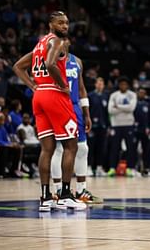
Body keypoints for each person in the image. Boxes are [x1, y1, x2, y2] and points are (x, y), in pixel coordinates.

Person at [12, 11, 86, 211]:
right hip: (55, 95)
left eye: (67, 23)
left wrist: (33, 86)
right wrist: (63, 85)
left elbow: (18, 67)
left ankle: (45, 197)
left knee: (47, 149)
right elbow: (50, 64)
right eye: (60, 22)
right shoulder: (58, 42)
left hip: (39, 96)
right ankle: (65, 195)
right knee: (71, 146)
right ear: (51, 24)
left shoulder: (39, 45)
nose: (65, 26)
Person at [50, 49, 102, 203]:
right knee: (58, 148)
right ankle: (58, 190)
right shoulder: (48, 61)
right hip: (57, 105)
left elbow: (81, 89)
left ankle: (80, 190)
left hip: (74, 107)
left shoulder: (76, 61)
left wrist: (86, 113)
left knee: (83, 148)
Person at [107, 76, 137, 176]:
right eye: (121, 84)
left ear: (128, 85)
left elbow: (131, 108)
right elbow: (110, 110)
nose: (123, 86)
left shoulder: (132, 95)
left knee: (130, 147)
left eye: (125, 84)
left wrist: (118, 106)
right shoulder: (114, 95)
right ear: (119, 85)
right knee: (114, 147)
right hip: (116, 125)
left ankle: (130, 168)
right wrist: (125, 108)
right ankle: (112, 168)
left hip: (128, 124)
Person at [88, 77, 109, 176]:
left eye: (102, 82)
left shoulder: (106, 96)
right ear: (95, 84)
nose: (100, 84)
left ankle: (99, 167)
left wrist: (108, 125)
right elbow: (86, 111)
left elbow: (108, 113)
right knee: (91, 147)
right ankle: (89, 167)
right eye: (98, 82)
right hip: (92, 126)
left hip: (103, 125)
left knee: (101, 147)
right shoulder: (90, 96)